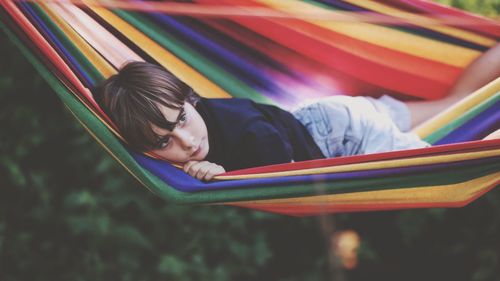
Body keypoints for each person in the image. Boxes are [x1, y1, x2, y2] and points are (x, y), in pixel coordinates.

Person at [96, 44, 500, 181]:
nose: (186, 142)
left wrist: (223, 174)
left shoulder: (252, 136)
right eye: (164, 141)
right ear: (147, 151)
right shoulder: (183, 124)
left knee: (436, 164)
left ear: (189, 97)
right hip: (328, 117)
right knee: (455, 107)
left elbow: (288, 177)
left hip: (343, 136)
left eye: (181, 119)